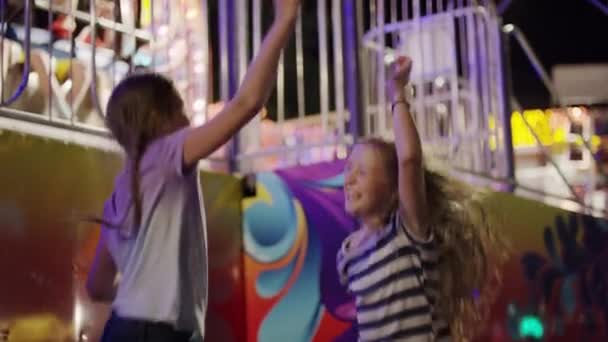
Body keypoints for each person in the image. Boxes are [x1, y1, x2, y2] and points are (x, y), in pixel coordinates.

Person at [85, 0, 301, 340]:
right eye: (181, 109)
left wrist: (135, 298)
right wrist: (284, 21)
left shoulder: (119, 192)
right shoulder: (169, 151)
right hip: (161, 333)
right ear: (162, 118)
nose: (188, 119)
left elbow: (97, 286)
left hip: (123, 328)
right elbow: (247, 104)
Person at [336, 56, 508, 341]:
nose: (349, 178)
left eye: (362, 172)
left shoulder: (407, 232)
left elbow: (410, 160)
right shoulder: (347, 254)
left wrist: (398, 93)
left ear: (394, 191)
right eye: (348, 169)